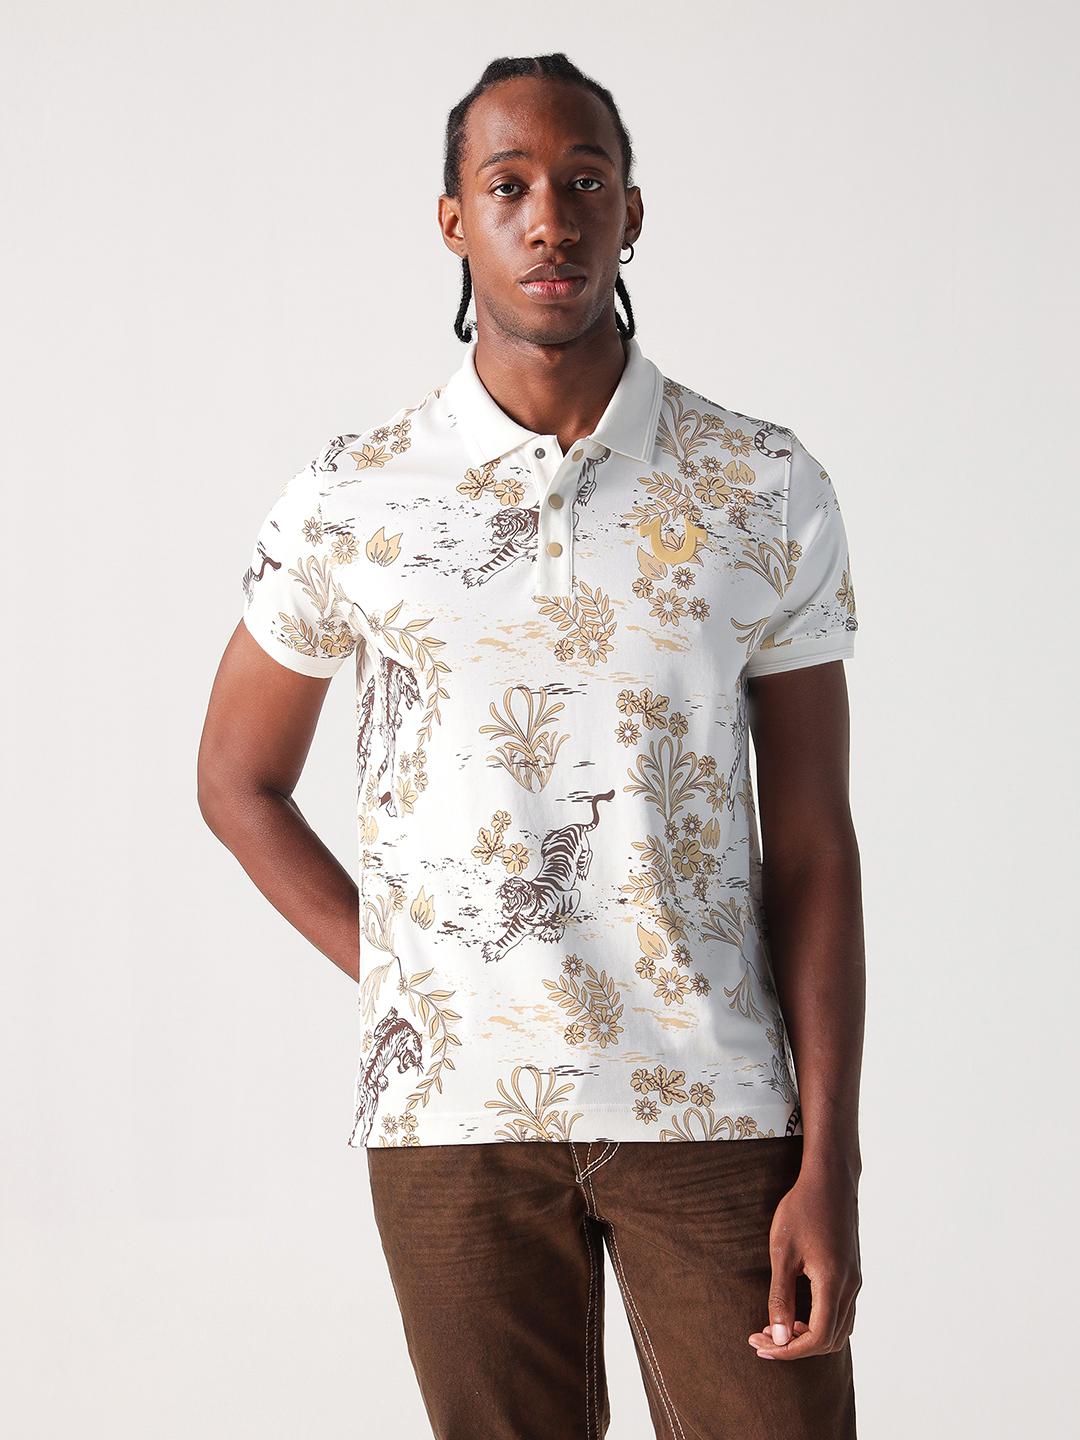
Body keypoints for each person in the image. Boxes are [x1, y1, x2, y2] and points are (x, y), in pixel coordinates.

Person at [198, 51, 864, 1440]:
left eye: (583, 181)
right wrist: (409, 973)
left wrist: (833, 1159)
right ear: (455, 221)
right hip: (454, 1127)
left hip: (714, 1108)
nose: (548, 218)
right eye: (507, 187)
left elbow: (812, 840)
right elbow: (237, 781)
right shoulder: (353, 497)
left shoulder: (762, 484)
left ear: (632, 211)